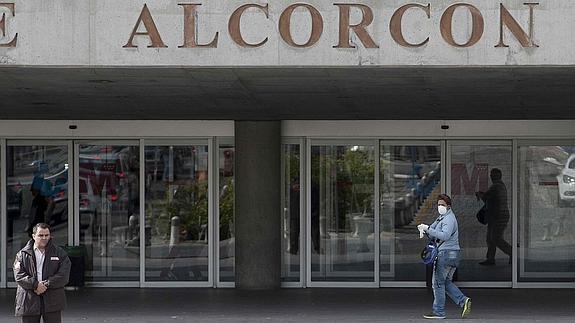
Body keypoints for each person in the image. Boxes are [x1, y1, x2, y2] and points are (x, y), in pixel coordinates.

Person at [418, 194, 471, 319]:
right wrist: (425, 229)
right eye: (438, 204)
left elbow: (445, 235)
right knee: (445, 282)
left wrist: (429, 229)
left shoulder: (448, 219)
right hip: (452, 255)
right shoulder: (442, 218)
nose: (440, 207)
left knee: (437, 283)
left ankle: (439, 312)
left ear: (449, 206)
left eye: (442, 204)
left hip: (446, 254)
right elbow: (433, 234)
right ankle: (463, 301)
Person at [14, 223, 71, 323]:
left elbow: (64, 275)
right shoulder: (22, 254)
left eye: (46, 235)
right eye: (41, 235)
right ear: (33, 236)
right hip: (29, 299)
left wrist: (45, 284)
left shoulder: (59, 253)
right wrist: (35, 285)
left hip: (53, 300)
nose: (44, 238)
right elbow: (19, 275)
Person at [475, 168, 512, 265]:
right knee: (490, 238)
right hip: (496, 215)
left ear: (498, 176)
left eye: (493, 175)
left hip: (498, 215)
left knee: (495, 238)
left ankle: (512, 253)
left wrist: (480, 194)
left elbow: (487, 198)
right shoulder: (499, 186)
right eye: (491, 175)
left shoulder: (496, 186)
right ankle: (490, 258)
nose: (491, 176)